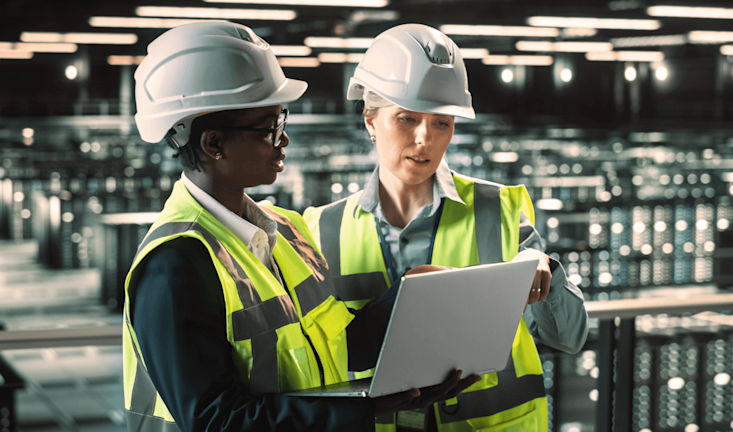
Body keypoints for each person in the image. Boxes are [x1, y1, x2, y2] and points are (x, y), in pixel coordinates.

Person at [123, 21, 479, 432]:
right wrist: (367, 410)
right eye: (268, 127)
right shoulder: (175, 265)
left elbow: (333, 343)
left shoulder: (287, 230)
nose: (283, 139)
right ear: (214, 144)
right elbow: (217, 420)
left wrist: (409, 295)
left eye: (282, 120)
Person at [304, 24, 589, 432]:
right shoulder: (319, 230)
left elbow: (570, 337)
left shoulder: (500, 211)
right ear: (370, 120)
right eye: (407, 118)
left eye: (442, 122)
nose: (425, 138)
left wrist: (545, 272)